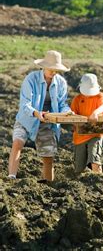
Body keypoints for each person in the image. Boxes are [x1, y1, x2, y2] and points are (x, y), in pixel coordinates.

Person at [7, 50, 71, 182]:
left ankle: (47, 183)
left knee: (49, 155)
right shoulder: (31, 79)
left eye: (56, 70)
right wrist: (37, 113)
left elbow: (62, 103)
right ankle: (11, 176)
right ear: (43, 67)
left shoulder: (61, 83)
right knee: (17, 143)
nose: (54, 73)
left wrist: (68, 112)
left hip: (48, 121)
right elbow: (25, 104)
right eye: (51, 70)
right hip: (27, 118)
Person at [70, 73, 103, 175]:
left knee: (94, 159)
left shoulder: (100, 96)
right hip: (80, 136)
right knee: (78, 167)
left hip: (96, 133)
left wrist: (95, 113)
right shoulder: (77, 99)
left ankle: (99, 180)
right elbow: (72, 115)